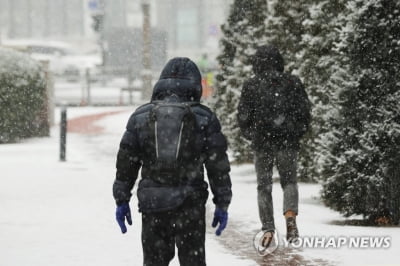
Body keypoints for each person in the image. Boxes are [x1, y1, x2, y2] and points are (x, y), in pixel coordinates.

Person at [113, 57, 232, 266]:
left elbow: (126, 162)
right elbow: (217, 165)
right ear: (195, 84)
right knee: (192, 262)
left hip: (153, 205)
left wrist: (122, 199)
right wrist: (222, 202)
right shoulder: (204, 117)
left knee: (154, 261)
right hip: (190, 204)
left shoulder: (141, 116)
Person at [237, 45, 311, 246]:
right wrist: (295, 132)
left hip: (262, 143)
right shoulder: (292, 82)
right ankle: (290, 215)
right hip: (288, 141)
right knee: (289, 181)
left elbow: (243, 116)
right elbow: (305, 112)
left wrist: (252, 135)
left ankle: (268, 228)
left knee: (264, 186)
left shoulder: (251, 85)